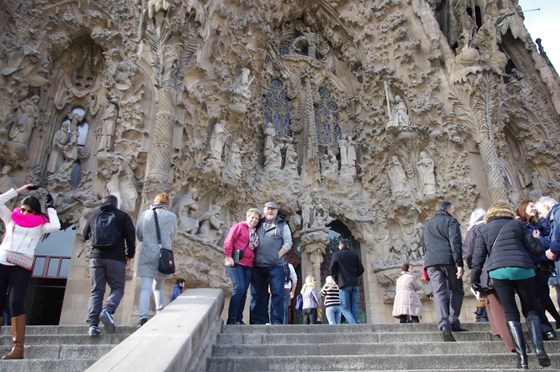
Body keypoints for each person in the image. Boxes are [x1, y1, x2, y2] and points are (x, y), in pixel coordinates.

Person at [471, 200, 551, 369]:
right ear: (507, 212)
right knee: (530, 309)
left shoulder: (483, 229)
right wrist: (540, 238)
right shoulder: (518, 225)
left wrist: (475, 279)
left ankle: (522, 359)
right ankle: (539, 348)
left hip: (499, 271)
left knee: (510, 313)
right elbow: (536, 249)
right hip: (523, 268)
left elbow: (477, 258)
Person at [0, 184, 60, 359]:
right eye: (23, 209)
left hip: (22, 266)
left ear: (35, 212)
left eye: (29, 211)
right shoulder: (11, 218)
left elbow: (55, 226)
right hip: (2, 262)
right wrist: (18, 191)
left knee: (15, 303)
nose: (25, 213)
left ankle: (18, 348)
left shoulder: (40, 226)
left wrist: (50, 208)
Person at [83, 195, 136, 336]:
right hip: (116, 259)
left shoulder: (95, 214)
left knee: (96, 291)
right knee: (117, 288)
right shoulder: (122, 216)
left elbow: (84, 235)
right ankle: (107, 309)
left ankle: (93, 326)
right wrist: (130, 254)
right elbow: (131, 237)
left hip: (96, 258)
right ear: (116, 204)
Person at [421, 200, 465, 342]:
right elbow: (455, 242)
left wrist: (427, 261)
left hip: (431, 261)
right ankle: (453, 320)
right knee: (457, 289)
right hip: (448, 259)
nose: (454, 211)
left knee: (438, 292)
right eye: (453, 209)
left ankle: (444, 326)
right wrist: (459, 263)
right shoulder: (450, 221)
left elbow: (424, 246)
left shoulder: (427, 224)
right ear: (448, 209)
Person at [516, 199, 560, 340]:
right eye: (531, 206)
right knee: (538, 298)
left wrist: (541, 220)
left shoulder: (537, 223)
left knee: (543, 296)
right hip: (532, 263)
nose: (534, 209)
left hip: (542, 264)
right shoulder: (520, 225)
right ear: (523, 209)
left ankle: (550, 326)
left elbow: (550, 236)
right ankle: (548, 327)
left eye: (535, 206)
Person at [135, 192, 178, 326]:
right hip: (163, 255)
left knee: (145, 288)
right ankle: (160, 312)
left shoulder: (145, 215)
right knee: (158, 286)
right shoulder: (171, 216)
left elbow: (139, 235)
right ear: (167, 203)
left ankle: (143, 316)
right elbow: (173, 235)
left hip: (147, 253)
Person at [250, 202, 292, 325]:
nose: (270, 211)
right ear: (264, 210)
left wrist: (277, 255)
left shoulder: (283, 225)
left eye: (273, 209)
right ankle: (258, 321)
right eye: (268, 209)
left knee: (277, 294)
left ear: (277, 212)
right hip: (257, 266)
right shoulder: (257, 224)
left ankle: (277, 322)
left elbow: (288, 242)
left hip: (276, 266)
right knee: (257, 294)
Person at [224, 208, 260, 325]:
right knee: (239, 288)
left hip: (249, 265)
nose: (254, 220)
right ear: (247, 216)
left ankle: (239, 318)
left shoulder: (254, 232)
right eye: (252, 217)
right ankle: (232, 319)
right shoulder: (239, 226)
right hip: (236, 262)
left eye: (256, 219)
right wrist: (229, 256)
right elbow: (228, 241)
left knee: (244, 291)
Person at [330, 238, 364, 324]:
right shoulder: (354, 255)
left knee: (344, 307)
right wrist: (354, 275)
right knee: (354, 305)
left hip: (343, 284)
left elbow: (332, 269)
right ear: (348, 246)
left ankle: (354, 324)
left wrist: (337, 281)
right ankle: (355, 324)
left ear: (340, 246)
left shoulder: (337, 255)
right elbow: (361, 269)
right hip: (354, 284)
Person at [463, 208, 488, 322]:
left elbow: (468, 253)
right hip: (495, 263)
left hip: (480, 265)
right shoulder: (491, 226)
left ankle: (482, 314)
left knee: (482, 291)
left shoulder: (472, 230)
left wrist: (471, 265)